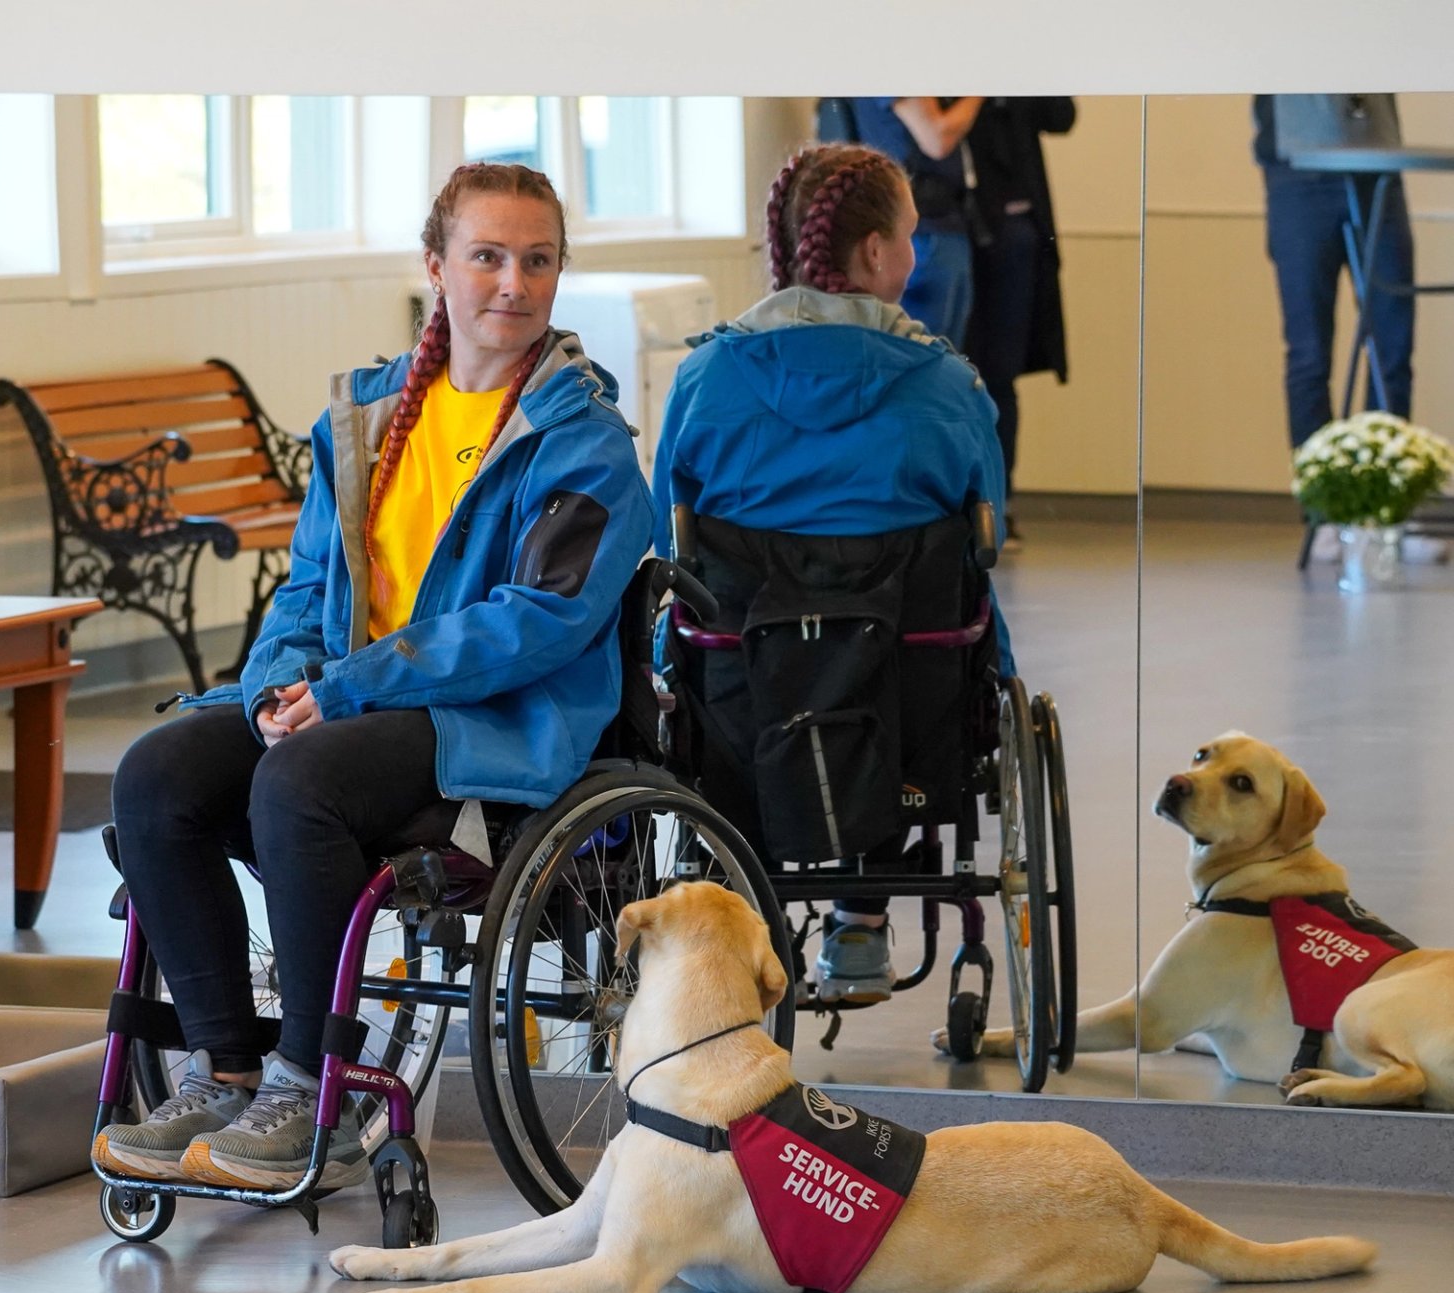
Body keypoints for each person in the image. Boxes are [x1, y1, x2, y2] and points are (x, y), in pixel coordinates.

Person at [94, 163, 653, 1191]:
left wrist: (349, 690)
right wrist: (277, 688)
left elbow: (537, 626)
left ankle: (314, 1081)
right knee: (156, 775)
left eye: (538, 261)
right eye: (487, 256)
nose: (514, 283)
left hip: (490, 721)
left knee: (298, 782)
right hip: (350, 703)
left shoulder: (585, 443)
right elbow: (308, 588)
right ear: (436, 266)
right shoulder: (367, 416)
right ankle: (226, 1068)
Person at [652, 142, 1012, 1004]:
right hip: (907, 700)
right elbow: (986, 532)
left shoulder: (706, 379)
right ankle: (860, 922)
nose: (915, 254)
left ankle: (739, 909)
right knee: (911, 656)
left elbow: (668, 525)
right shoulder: (949, 386)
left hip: (745, 691)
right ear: (877, 251)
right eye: (911, 236)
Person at [1252, 95, 1442, 564]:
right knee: (1310, 354)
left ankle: (1385, 510)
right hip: (1299, 170)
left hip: (1376, 165)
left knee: (1391, 349)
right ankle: (1325, 513)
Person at [965, 97, 1077, 542]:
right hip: (958, 224)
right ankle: (957, 504)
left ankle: (998, 503)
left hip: (1016, 232)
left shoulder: (1023, 78)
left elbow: (1062, 116)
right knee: (954, 372)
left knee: (999, 377)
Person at [846, 98, 985, 346]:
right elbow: (937, 138)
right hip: (921, 230)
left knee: (945, 353)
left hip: (941, 223)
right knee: (921, 351)